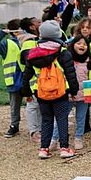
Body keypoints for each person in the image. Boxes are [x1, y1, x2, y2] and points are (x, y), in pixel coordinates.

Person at [20, 20, 79, 159]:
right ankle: (64, 148)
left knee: (46, 120)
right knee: (61, 119)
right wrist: (74, 90)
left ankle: (44, 149)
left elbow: (26, 75)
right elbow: (70, 74)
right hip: (60, 92)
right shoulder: (63, 53)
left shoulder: (33, 53)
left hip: (41, 92)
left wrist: (26, 92)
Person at [0, 19, 29, 138]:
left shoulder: (29, 41)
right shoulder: (7, 44)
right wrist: (2, 33)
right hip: (14, 80)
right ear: (15, 32)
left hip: (28, 78)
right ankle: (14, 125)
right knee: (14, 105)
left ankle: (37, 127)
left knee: (34, 104)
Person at [67, 35, 91, 151]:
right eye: (79, 43)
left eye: (84, 44)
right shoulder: (67, 59)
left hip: (84, 95)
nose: (82, 46)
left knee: (81, 118)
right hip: (68, 94)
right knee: (61, 117)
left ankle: (78, 138)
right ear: (73, 44)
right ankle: (55, 138)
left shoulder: (89, 61)